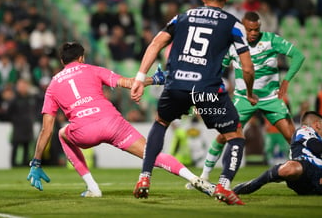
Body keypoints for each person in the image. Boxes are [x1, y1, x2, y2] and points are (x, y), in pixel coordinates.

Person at [130, 0, 257, 205]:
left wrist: (140, 77)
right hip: (207, 91)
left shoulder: (183, 17)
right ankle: (224, 186)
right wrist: (249, 92)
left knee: (160, 123)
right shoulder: (233, 24)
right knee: (235, 135)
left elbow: (156, 43)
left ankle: (144, 177)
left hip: (176, 86)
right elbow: (247, 68)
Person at [27, 42, 214, 197]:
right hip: (112, 123)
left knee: (61, 133)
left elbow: (46, 129)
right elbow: (128, 83)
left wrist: (36, 161)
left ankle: (93, 188)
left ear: (62, 61)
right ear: (82, 58)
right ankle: (193, 178)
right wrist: (154, 80)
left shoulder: (52, 85)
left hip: (84, 132)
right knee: (152, 155)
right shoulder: (93, 69)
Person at [200, 11, 305, 180]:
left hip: (271, 99)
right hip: (243, 99)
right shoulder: (233, 44)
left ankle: (308, 172)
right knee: (222, 135)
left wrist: (286, 81)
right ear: (243, 27)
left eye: (256, 29)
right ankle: (204, 176)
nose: (254, 33)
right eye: (250, 30)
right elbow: (219, 69)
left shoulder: (271, 40)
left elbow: (299, 56)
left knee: (293, 137)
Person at [233, 111, 322, 196]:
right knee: (291, 168)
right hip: (304, 170)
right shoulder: (305, 130)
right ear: (318, 125)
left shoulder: (317, 138)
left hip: (317, 178)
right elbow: (317, 147)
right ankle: (251, 185)